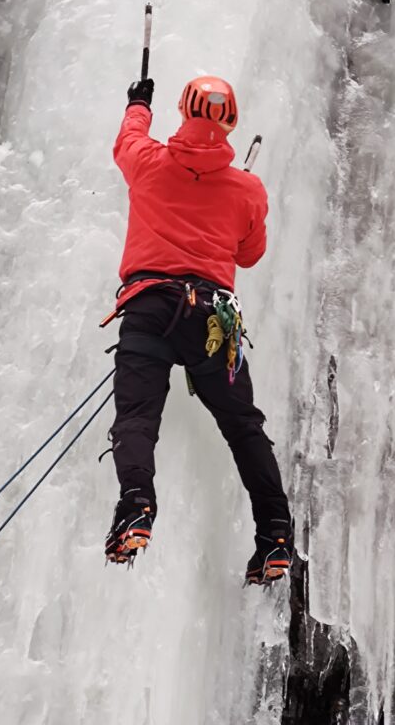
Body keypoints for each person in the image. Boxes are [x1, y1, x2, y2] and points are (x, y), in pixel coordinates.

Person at [103, 74, 292, 584]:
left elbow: (128, 140)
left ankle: (137, 507)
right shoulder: (246, 189)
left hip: (149, 306)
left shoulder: (148, 164)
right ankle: (275, 534)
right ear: (230, 122)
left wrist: (139, 103)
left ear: (183, 111)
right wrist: (234, 204)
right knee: (242, 426)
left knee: (137, 415)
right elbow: (250, 255)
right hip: (212, 319)